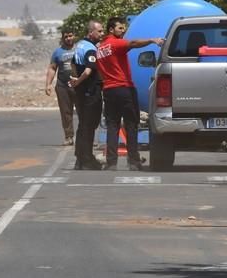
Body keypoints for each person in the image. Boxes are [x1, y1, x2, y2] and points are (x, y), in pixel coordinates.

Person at [95, 17, 164, 171]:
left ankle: (111, 162)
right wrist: (152, 40)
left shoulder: (100, 49)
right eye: (120, 28)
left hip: (108, 90)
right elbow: (133, 44)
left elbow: (100, 72)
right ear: (111, 29)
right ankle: (133, 161)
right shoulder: (115, 43)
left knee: (112, 126)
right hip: (124, 88)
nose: (123, 30)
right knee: (131, 125)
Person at [68, 20, 105, 170]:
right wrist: (79, 81)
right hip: (90, 92)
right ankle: (87, 159)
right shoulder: (90, 49)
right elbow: (89, 70)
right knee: (90, 125)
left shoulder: (79, 46)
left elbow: (72, 64)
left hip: (81, 93)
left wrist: (74, 79)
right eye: (100, 31)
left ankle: (80, 158)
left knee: (83, 125)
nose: (102, 34)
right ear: (91, 32)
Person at [45, 29, 77, 146]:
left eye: (70, 35)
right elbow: (52, 68)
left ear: (74, 36)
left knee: (84, 112)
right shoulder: (58, 52)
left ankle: (86, 137)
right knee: (65, 112)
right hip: (62, 86)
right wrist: (48, 84)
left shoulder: (80, 49)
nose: (68, 38)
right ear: (63, 38)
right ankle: (69, 137)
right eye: (66, 36)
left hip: (78, 85)